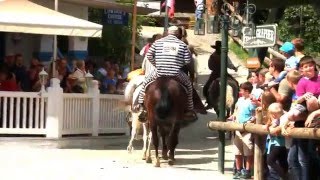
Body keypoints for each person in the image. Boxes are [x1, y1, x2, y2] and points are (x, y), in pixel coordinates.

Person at [136, 26, 195, 119]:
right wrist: (178, 64)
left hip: (159, 72)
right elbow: (188, 60)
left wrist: (156, 64)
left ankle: (141, 106)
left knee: (145, 82)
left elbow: (149, 55)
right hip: (176, 73)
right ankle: (189, 109)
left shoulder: (158, 42)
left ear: (168, 32)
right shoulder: (182, 44)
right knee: (189, 85)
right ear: (178, 34)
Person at [203, 40, 238, 107]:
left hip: (215, 74)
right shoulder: (224, 55)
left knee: (206, 87)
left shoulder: (212, 56)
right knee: (235, 83)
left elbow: (210, 66)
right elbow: (229, 64)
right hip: (224, 73)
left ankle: (209, 102)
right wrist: (234, 68)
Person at [231, 82, 255, 179]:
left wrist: (248, 123)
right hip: (238, 127)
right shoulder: (240, 100)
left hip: (246, 129)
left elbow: (254, 114)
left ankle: (247, 170)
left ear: (247, 91)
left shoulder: (251, 101)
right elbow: (236, 111)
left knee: (248, 150)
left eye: (241, 90)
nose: (240, 92)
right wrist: (233, 117)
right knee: (237, 151)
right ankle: (238, 169)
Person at [264, 103, 288, 180]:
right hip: (275, 142)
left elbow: (279, 128)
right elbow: (273, 124)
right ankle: (282, 175)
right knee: (281, 161)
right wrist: (269, 125)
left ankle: (284, 176)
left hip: (281, 143)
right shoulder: (277, 118)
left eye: (274, 114)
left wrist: (276, 129)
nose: (273, 116)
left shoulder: (285, 117)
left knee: (270, 160)